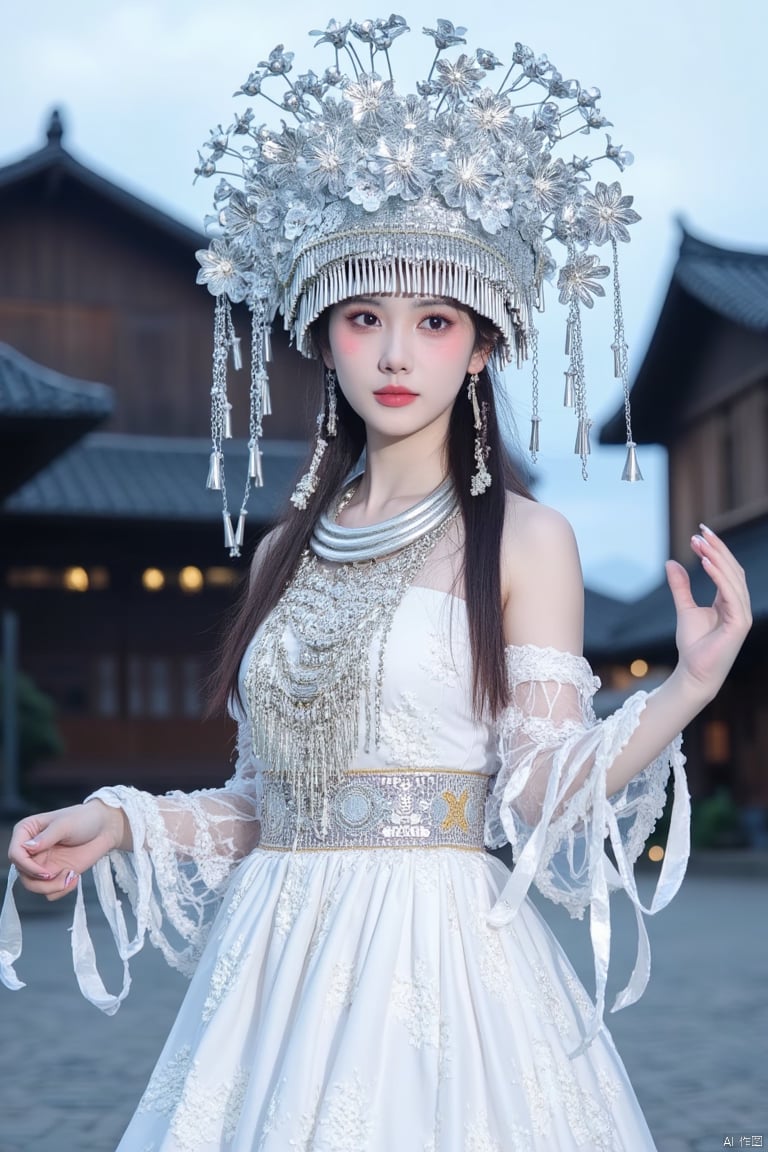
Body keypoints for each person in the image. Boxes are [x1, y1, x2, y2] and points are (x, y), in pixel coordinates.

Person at [1, 17, 752, 1151]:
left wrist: (687, 689)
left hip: (440, 962)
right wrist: (116, 822)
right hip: (270, 968)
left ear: (482, 345)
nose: (397, 356)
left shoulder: (527, 540)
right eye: (366, 319)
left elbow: (540, 792)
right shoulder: (279, 554)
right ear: (327, 337)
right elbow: (267, 804)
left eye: (434, 322)